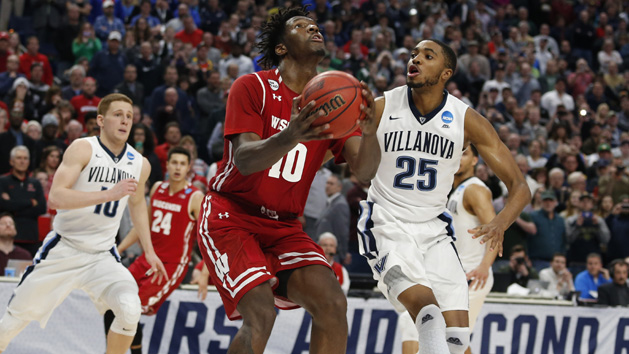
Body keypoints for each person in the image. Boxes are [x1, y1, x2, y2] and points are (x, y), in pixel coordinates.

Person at [197, 7, 380, 354]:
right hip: (231, 216)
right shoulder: (251, 86)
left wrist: (369, 132)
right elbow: (245, 160)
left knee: (332, 303)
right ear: (282, 47)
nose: (314, 29)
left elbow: (365, 171)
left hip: (284, 226)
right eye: (301, 26)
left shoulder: (333, 99)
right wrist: (291, 135)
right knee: (262, 313)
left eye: (315, 25)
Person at [357, 38, 530, 354]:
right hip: (387, 224)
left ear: (446, 72)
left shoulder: (465, 119)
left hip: (435, 232)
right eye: (413, 54)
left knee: (458, 342)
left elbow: (520, 186)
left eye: (428, 55)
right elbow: (348, 164)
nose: (416, 59)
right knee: (428, 318)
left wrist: (501, 223)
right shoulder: (382, 106)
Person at [0, 94, 167, 354]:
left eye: (129, 116)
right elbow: (56, 197)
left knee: (129, 309)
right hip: (64, 248)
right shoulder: (83, 148)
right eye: (118, 114)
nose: (125, 120)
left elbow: (136, 207)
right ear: (100, 120)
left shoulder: (139, 164)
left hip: (102, 255)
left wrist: (150, 250)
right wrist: (109, 194)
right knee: (10, 324)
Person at [399, 145, 499, 354]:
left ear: (474, 160)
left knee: (443, 334)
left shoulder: (475, 190)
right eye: (457, 152)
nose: (459, 158)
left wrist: (484, 266)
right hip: (451, 273)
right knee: (440, 334)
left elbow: (495, 230)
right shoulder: (451, 191)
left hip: (472, 274)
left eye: (465, 153)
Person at [112, 146, 203, 354]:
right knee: (116, 298)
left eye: (182, 163)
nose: (178, 167)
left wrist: (204, 267)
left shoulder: (195, 197)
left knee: (130, 309)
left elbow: (209, 236)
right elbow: (141, 225)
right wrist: (118, 249)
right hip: (148, 259)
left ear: (189, 168)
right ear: (167, 165)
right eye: (174, 163)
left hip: (171, 266)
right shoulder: (157, 189)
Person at [0, 146, 47, 256]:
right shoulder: (2, 181)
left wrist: (13, 206)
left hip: (31, 237)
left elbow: (41, 208)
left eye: (25, 158)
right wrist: (30, 202)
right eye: (19, 158)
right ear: (11, 161)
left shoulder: (35, 183)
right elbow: (2, 206)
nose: (22, 161)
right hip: (7, 238)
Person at [314, 174, 350, 263]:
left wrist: (342, 254)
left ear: (339, 187)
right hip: (325, 253)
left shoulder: (340, 205)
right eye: (327, 183)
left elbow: (342, 232)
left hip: (333, 255)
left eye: (331, 184)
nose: (328, 186)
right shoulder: (331, 203)